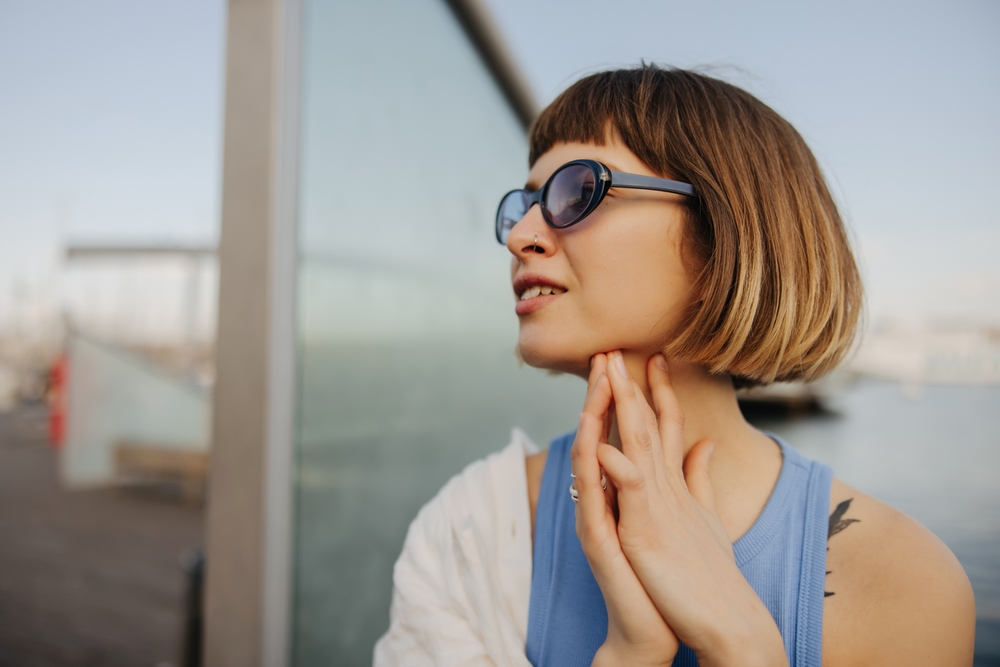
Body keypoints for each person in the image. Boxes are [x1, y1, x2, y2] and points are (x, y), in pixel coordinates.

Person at [373, 65, 975, 667]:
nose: (521, 236)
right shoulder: (473, 529)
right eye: (525, 204)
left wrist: (743, 649)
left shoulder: (904, 580)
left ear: (725, 232)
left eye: (576, 191)